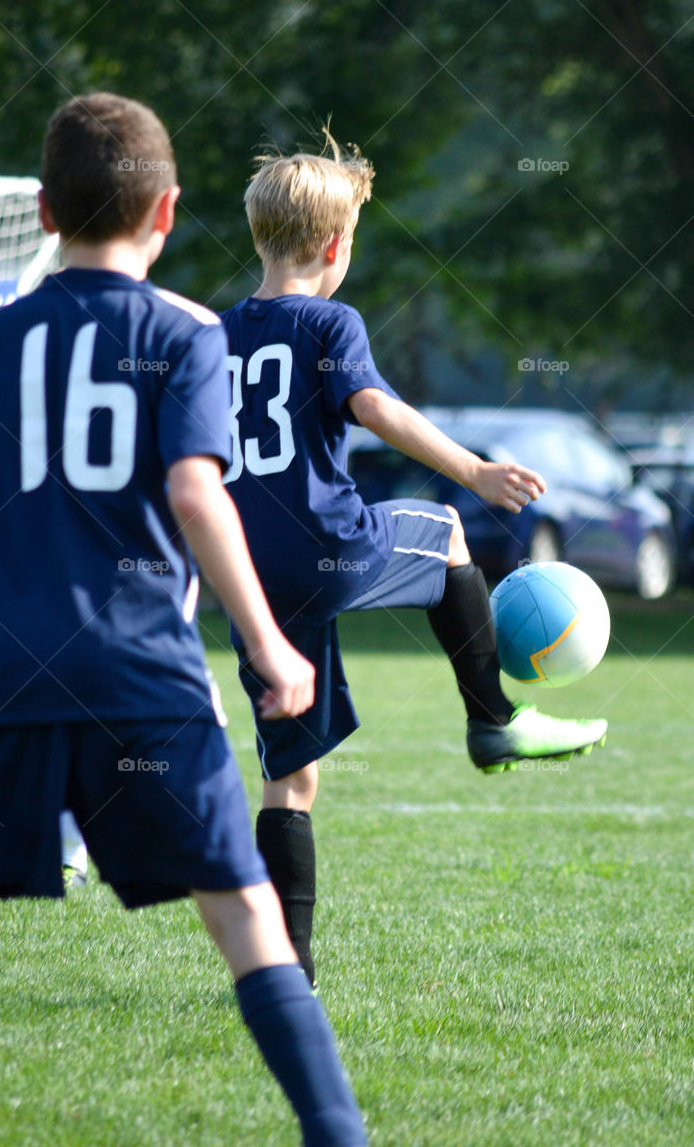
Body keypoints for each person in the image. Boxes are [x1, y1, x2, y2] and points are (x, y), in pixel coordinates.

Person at [0, 95, 367, 1147]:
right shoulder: (185, 331)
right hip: (143, 672)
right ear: (167, 212)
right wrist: (267, 641)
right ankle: (335, 1133)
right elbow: (194, 493)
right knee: (243, 914)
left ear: (42, 211)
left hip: (11, 673)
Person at [221, 133, 608, 985]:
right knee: (445, 531)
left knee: (290, 780)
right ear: (335, 246)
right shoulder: (331, 321)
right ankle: (492, 720)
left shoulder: (215, 335)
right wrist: (473, 470)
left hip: (249, 577)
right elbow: (373, 406)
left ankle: (285, 972)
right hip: (330, 546)